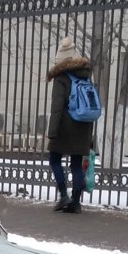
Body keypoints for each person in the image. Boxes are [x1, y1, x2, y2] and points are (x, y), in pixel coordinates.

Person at [45, 36, 96, 213]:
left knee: (54, 159)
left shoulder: (61, 78)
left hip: (65, 126)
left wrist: (52, 132)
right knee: (76, 164)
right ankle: (75, 203)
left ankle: (63, 195)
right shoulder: (86, 76)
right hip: (84, 126)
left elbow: (57, 108)